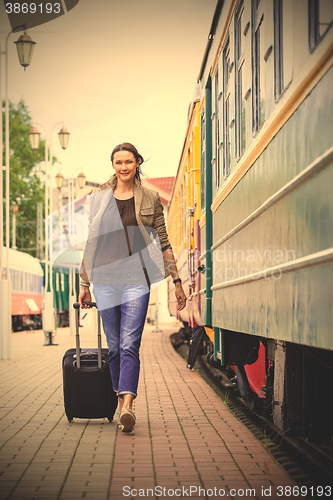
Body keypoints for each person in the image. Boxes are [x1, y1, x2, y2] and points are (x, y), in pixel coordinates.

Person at [79, 142, 186, 433]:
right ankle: (120, 395)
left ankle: (127, 404)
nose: (123, 167)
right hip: (104, 281)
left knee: (129, 344)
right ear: (113, 165)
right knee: (114, 347)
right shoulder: (99, 197)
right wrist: (84, 283)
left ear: (137, 163)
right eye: (118, 162)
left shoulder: (150, 198)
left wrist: (177, 281)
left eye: (128, 161)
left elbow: (164, 242)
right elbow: (91, 241)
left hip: (136, 279)